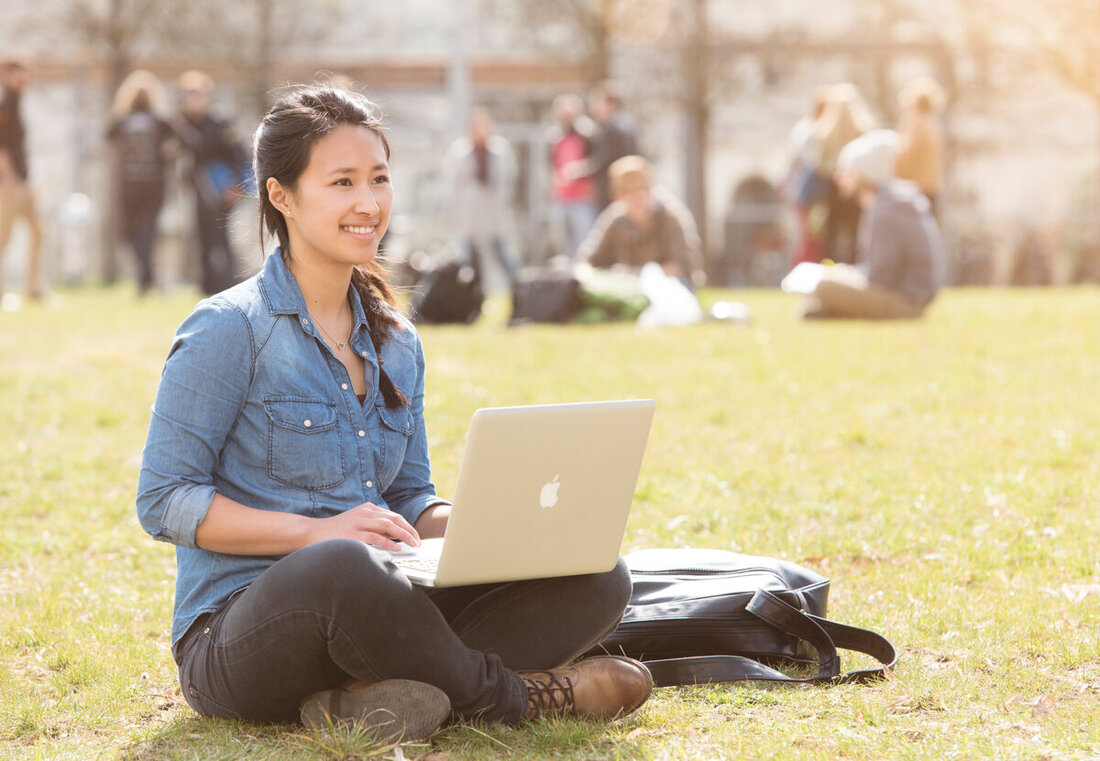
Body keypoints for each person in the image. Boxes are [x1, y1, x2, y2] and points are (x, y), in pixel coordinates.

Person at [136, 84, 652, 741]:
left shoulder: (396, 340)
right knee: (343, 568)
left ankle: (365, 693)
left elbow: (408, 494)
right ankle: (515, 696)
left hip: (382, 597)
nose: (368, 203)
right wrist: (314, 533)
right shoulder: (227, 329)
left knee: (598, 572)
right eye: (343, 181)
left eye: (379, 179)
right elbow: (164, 499)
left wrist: (478, 531)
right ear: (282, 196)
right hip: (239, 631)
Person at [801, 129, 945, 320]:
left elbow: (880, 277)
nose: (838, 178)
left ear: (863, 174)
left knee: (822, 286)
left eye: (846, 171)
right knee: (822, 291)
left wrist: (844, 277)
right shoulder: (888, 204)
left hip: (907, 302)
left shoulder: (886, 210)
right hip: (907, 298)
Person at [576, 155, 704, 287]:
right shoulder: (614, 217)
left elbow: (682, 267)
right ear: (617, 196)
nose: (636, 197)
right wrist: (585, 276)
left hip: (669, 290)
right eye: (628, 192)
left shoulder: (671, 215)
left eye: (641, 189)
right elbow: (587, 259)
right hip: (629, 292)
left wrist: (634, 274)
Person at [175, 70, 247, 295]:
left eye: (196, 94)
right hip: (198, 190)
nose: (192, 100)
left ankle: (227, 285)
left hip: (222, 190)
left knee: (221, 239)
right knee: (203, 239)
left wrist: (236, 187)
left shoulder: (220, 123)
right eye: (187, 95)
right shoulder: (181, 125)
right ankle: (206, 288)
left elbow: (240, 156)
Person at [107, 70, 178, 295]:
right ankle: (148, 276)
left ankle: (146, 279)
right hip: (153, 186)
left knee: (129, 234)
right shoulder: (161, 121)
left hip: (130, 186)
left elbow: (106, 135)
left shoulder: (121, 120)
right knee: (146, 232)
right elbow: (182, 138)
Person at [444, 108, 521, 288]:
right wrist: (450, 212)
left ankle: (519, 290)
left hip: (494, 214)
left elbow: (508, 181)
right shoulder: (460, 151)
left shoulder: (500, 150)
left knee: (503, 253)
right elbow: (452, 185)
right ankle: (470, 297)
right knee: (468, 258)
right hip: (469, 214)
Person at [814, 83, 875, 265]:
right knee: (857, 232)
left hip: (832, 187)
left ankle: (829, 269)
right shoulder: (863, 130)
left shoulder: (825, 132)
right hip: (856, 188)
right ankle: (857, 268)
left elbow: (819, 165)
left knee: (831, 234)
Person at [0, 60, 43, 301]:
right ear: (8, 75)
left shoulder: (16, 102)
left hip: (24, 181)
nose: (26, 79)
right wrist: (8, 178)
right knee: (4, 238)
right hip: (10, 183)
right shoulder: (4, 103)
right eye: (21, 75)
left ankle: (32, 288)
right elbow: (1, 145)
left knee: (38, 233)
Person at [547, 93, 597, 260]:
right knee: (563, 244)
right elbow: (551, 165)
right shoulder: (555, 137)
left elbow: (597, 161)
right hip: (562, 197)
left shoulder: (588, 134)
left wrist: (581, 170)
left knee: (584, 242)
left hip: (582, 198)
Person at [894, 76, 946, 217]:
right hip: (932, 186)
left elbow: (907, 155)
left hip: (917, 188)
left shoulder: (916, 125)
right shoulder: (933, 124)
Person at [586, 80, 639, 211]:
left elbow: (604, 160)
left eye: (598, 101)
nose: (594, 106)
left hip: (613, 190)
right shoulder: (624, 124)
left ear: (609, 104)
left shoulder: (612, 129)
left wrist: (584, 169)